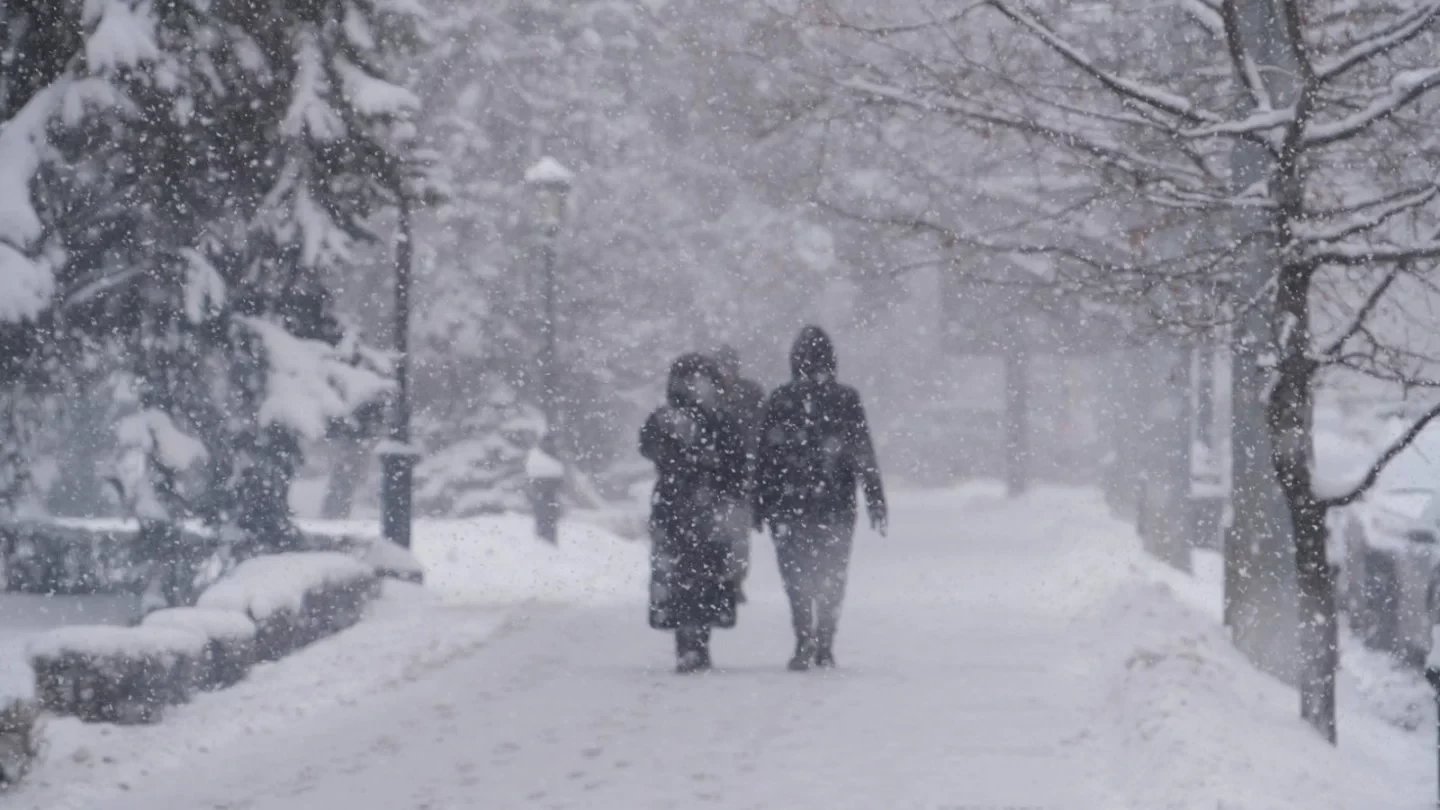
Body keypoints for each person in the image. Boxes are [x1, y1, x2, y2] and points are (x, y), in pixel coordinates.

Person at [754, 326, 887, 671]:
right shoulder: (845, 399)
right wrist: (874, 497)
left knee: (796, 575)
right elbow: (862, 453)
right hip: (835, 503)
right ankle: (824, 641)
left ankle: (804, 638)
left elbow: (766, 457)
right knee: (831, 573)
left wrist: (760, 502)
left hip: (790, 504)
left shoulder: (781, 399)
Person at [640, 353, 748, 673]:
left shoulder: (669, 418)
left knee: (683, 575)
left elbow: (648, 448)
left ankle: (688, 641)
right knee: (703, 575)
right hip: (704, 509)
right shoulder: (719, 420)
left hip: (677, 506)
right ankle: (696, 640)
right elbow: (737, 464)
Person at [712, 345, 767, 602]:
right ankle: (718, 577)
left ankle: (734, 580)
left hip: (740, 476)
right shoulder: (707, 398)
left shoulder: (750, 394)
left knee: (738, 534)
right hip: (714, 478)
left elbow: (761, 431)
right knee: (716, 532)